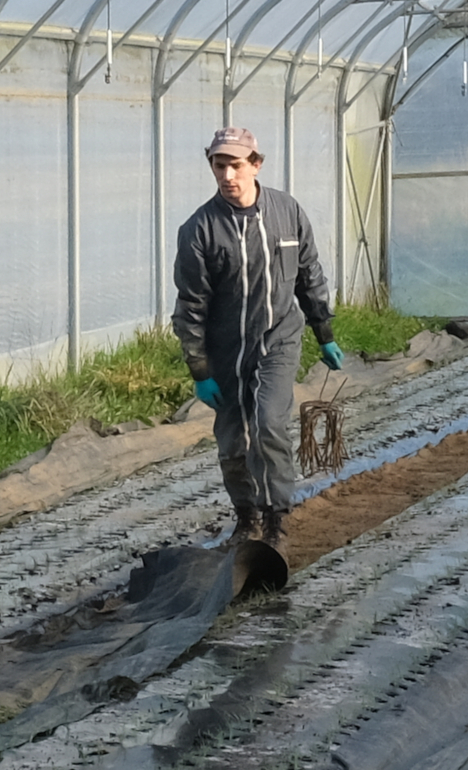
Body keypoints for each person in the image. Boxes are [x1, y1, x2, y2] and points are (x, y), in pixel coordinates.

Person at [172, 127, 345, 558]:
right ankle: (246, 517)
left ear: (256, 164)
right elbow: (191, 305)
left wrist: (323, 332)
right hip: (226, 347)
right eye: (219, 165)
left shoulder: (286, 212)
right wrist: (199, 370)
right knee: (232, 439)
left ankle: (275, 520)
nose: (228, 175)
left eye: (236, 165)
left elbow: (309, 273)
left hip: (279, 337)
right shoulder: (200, 230)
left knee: (268, 423)